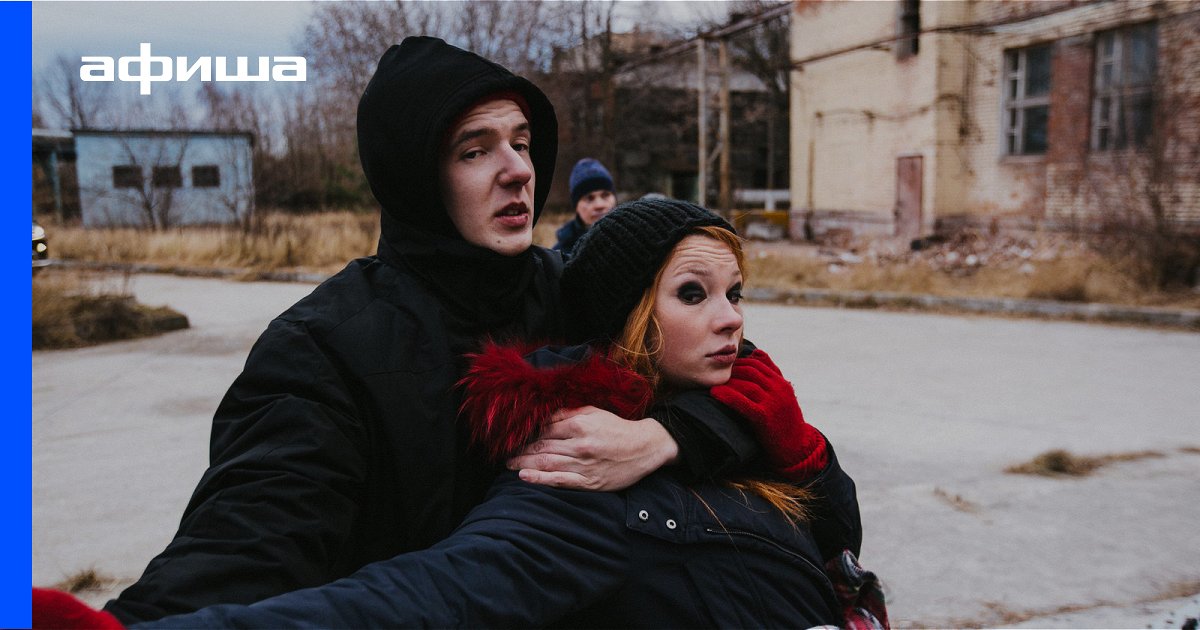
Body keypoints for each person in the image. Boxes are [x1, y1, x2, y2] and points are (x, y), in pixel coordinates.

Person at [96, 38, 766, 624]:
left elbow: (750, 381)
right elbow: (246, 542)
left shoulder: (579, 288)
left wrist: (664, 438)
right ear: (415, 176)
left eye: (522, 143)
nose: (518, 169)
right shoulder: (324, 347)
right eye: (475, 150)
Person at [35, 199, 873, 629]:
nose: (731, 318)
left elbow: (835, 537)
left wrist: (785, 445)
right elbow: (425, 599)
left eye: (736, 292)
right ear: (629, 316)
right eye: (694, 293)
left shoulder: (732, 407)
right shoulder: (574, 463)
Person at [552, 157, 616, 253]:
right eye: (589, 198)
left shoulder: (632, 237)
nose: (599, 205)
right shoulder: (561, 255)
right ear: (576, 206)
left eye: (605, 195)